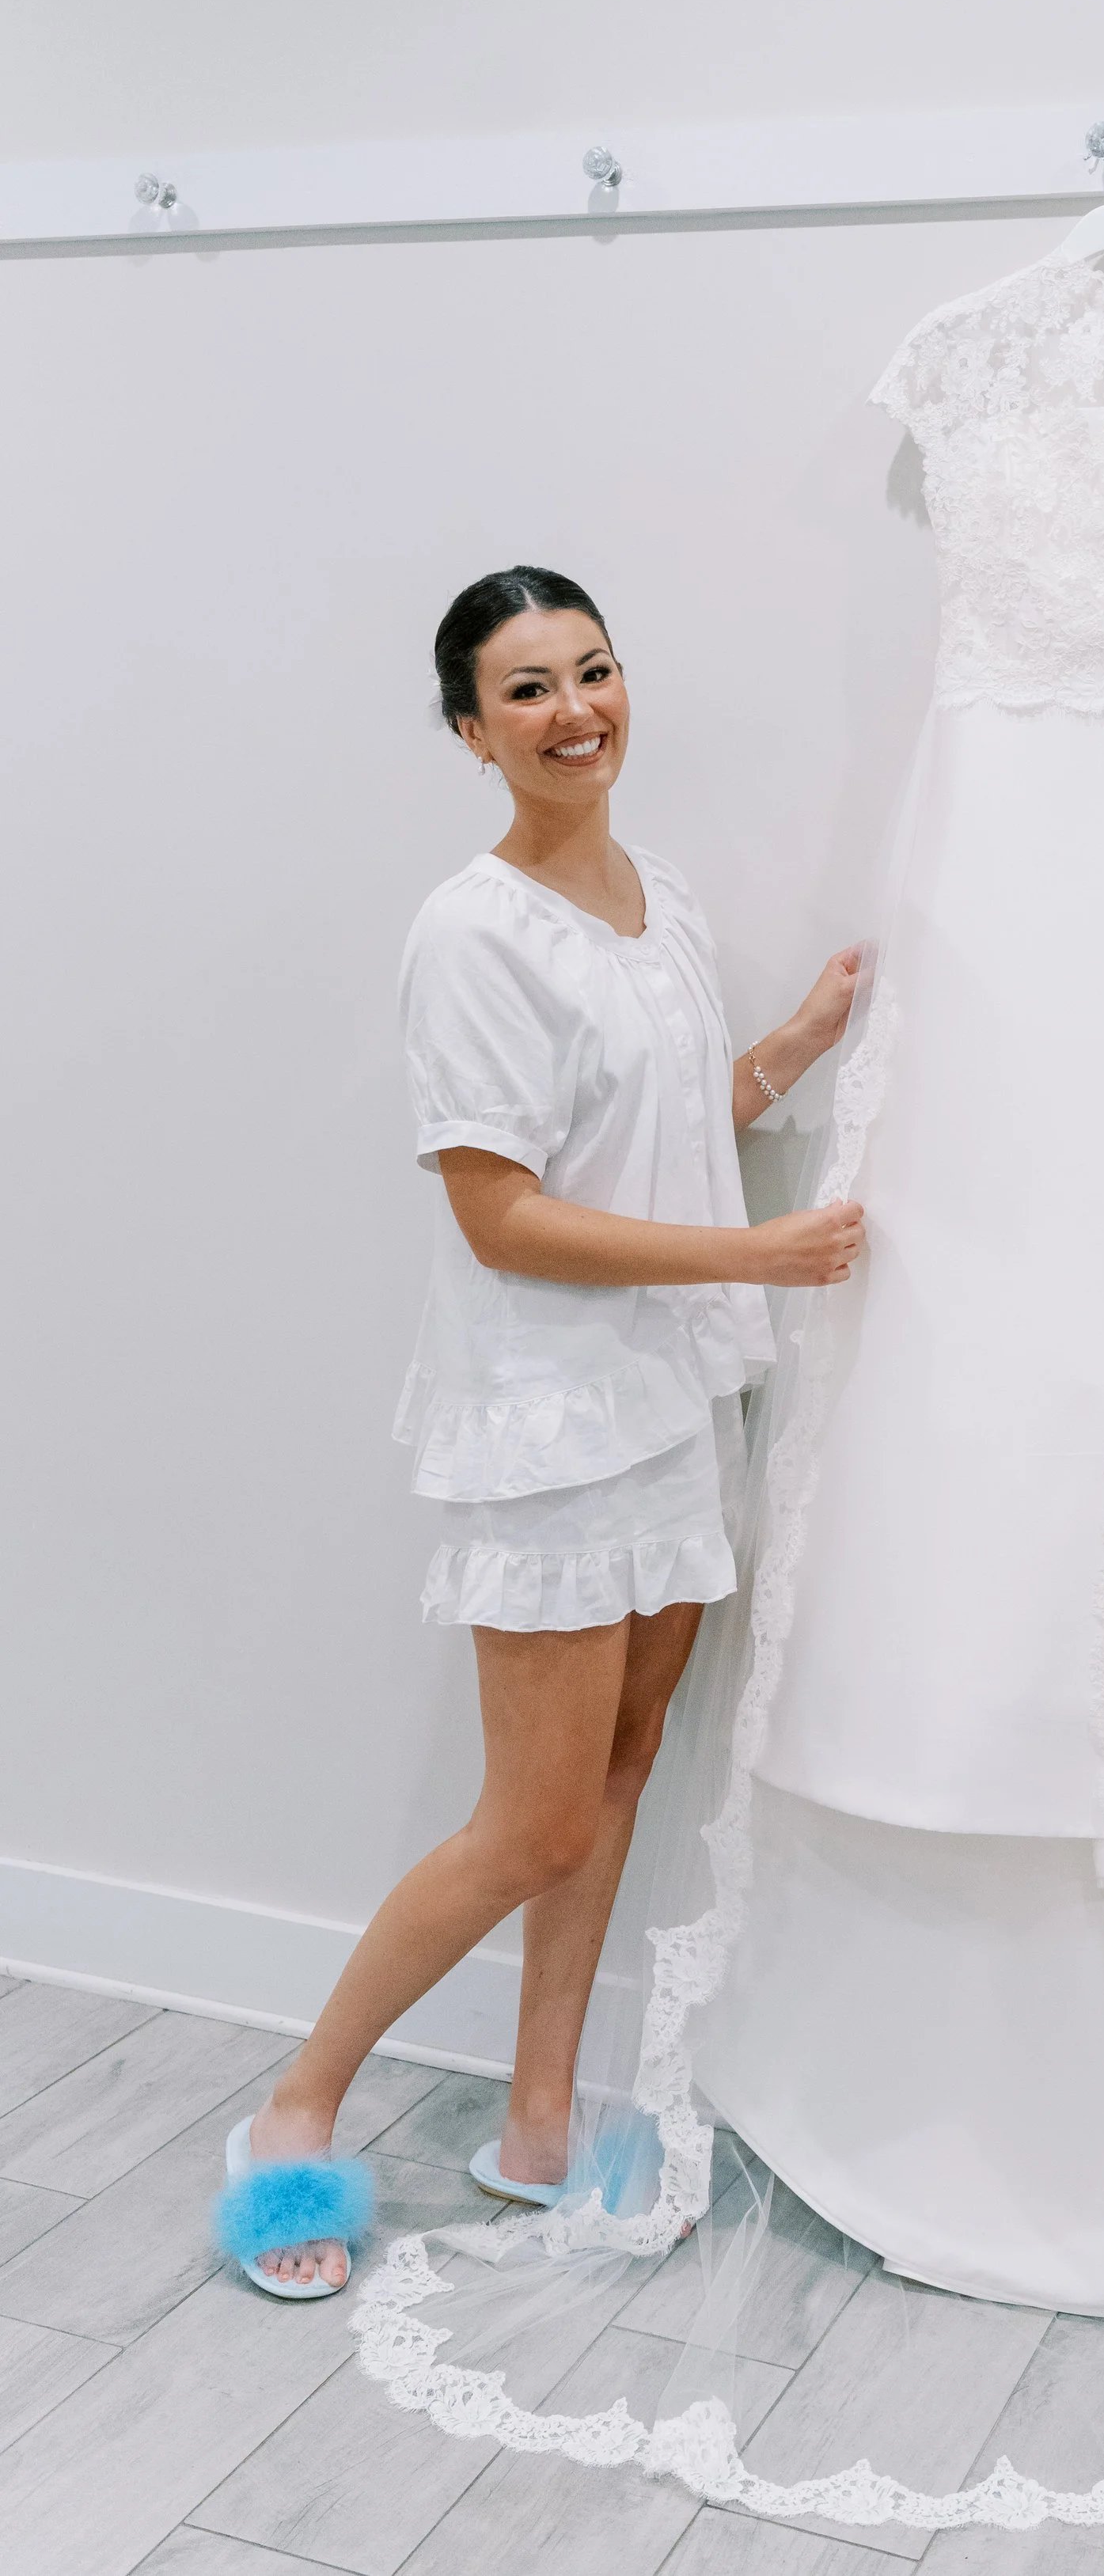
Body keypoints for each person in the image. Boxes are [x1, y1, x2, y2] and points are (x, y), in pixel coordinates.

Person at [214, 564, 863, 2297]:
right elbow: (499, 1213)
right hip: (556, 1422)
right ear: (467, 729)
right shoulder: (470, 933)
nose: (576, 710)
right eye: (526, 690)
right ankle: (292, 2110)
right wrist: (757, 1253)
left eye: (593, 670)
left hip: (676, 1394)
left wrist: (787, 1049)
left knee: (623, 1774)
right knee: (533, 1820)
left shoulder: (663, 901)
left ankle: (541, 2124)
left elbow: (658, 1124)